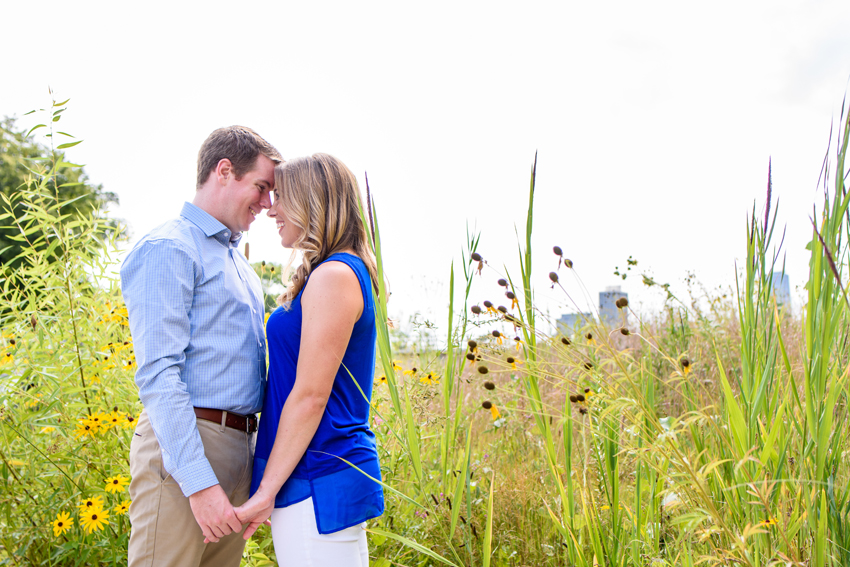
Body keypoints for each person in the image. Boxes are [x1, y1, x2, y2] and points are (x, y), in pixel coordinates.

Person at [120, 126, 283, 567]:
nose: (268, 204)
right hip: (188, 449)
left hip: (238, 450)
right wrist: (199, 482)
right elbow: (158, 374)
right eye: (262, 187)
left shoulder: (241, 267)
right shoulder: (169, 248)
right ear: (225, 170)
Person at [234, 153, 384, 566]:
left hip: (317, 472)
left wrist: (266, 490)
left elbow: (311, 396)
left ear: (313, 203)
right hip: (311, 471)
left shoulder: (334, 275)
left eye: (282, 197)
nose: (272, 209)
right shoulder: (329, 274)